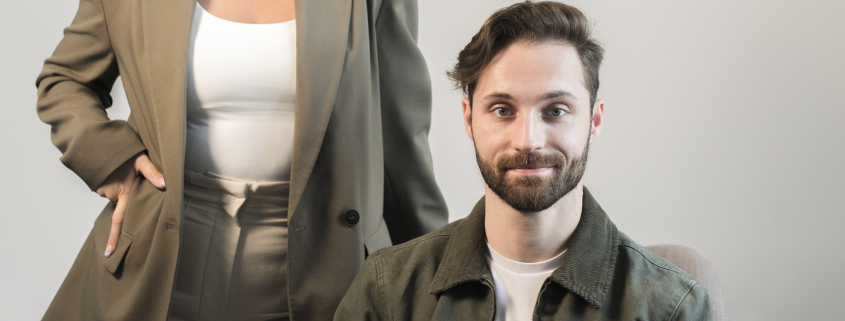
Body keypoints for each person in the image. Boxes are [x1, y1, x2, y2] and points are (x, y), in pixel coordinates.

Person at [35, 0, 447, 319]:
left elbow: (401, 130)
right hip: (159, 257)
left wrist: (443, 277)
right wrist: (112, 159)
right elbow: (64, 80)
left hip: (324, 263)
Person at [333, 1, 715, 320]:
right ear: (468, 119)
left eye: (556, 110)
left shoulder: (672, 307)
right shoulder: (386, 290)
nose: (528, 140)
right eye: (502, 109)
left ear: (594, 121)